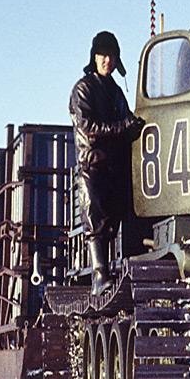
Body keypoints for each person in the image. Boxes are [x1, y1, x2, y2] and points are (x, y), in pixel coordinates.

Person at [70, 31, 145, 295]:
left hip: (115, 165)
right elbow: (87, 127)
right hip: (93, 165)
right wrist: (122, 127)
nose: (107, 61)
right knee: (96, 219)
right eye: (103, 55)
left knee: (114, 220)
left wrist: (133, 125)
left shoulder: (115, 92)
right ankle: (99, 275)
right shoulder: (83, 89)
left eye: (112, 56)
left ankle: (113, 270)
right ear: (94, 57)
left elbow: (127, 119)